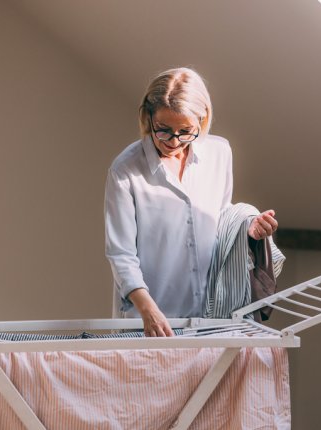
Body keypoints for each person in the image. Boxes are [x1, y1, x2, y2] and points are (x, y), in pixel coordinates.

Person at [104, 67, 278, 337]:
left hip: (209, 316)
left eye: (186, 131)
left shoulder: (219, 153)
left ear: (202, 119)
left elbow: (219, 216)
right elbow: (121, 255)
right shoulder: (125, 170)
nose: (174, 141)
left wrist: (247, 228)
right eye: (163, 130)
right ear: (148, 118)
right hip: (148, 318)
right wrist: (148, 311)